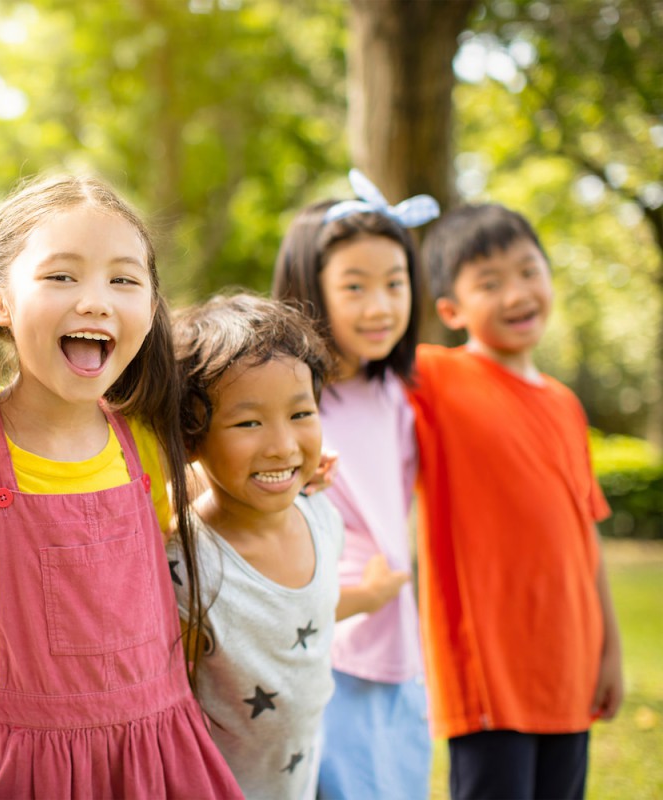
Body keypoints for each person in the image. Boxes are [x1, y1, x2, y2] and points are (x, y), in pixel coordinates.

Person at [0, 174, 242, 798]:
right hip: (31, 768)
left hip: (159, 758)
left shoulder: (149, 444)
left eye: (123, 279)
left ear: (150, 307)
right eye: (62, 276)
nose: (95, 301)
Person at [413, 203, 624, 800]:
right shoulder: (436, 377)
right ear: (451, 310)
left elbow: (587, 533)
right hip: (489, 680)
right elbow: (358, 352)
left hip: (570, 669)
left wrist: (608, 649)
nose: (517, 292)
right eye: (490, 282)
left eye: (529, 271)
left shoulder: (565, 403)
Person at [271, 169, 437, 799]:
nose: (381, 306)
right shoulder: (294, 403)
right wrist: (358, 599)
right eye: (355, 286)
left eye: (396, 284)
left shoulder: (393, 395)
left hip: (398, 646)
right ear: (310, 291)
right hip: (327, 649)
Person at [167, 292, 346, 800]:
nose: (282, 445)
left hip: (301, 781)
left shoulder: (323, 517)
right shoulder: (184, 564)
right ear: (192, 438)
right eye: (248, 422)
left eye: (300, 414)